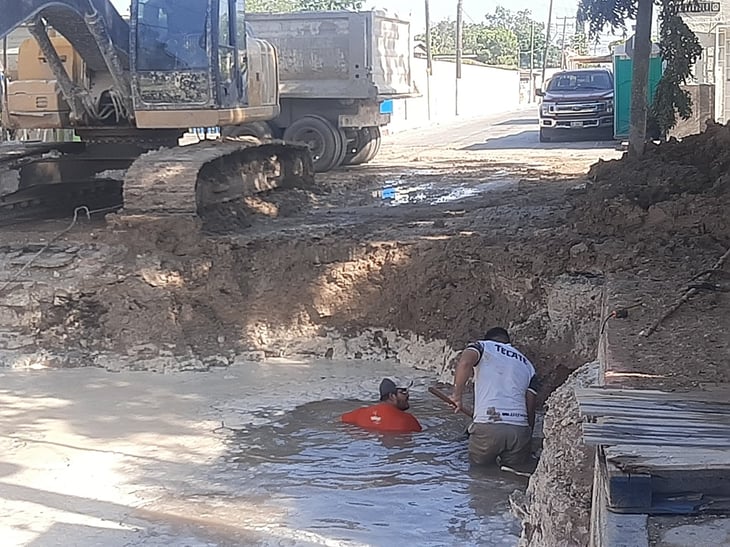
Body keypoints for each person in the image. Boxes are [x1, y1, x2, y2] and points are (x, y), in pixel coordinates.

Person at [450, 327, 539, 468]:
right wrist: (528, 436)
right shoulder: (528, 365)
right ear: (508, 342)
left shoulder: (481, 346)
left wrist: (457, 396)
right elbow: (531, 404)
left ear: (487, 338)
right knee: (513, 475)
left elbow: (465, 363)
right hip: (519, 429)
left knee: (479, 476)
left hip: (488, 425)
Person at [341, 378, 422, 433]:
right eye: (403, 392)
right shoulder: (408, 420)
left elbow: (338, 421)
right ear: (391, 396)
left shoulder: (359, 413)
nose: (408, 395)